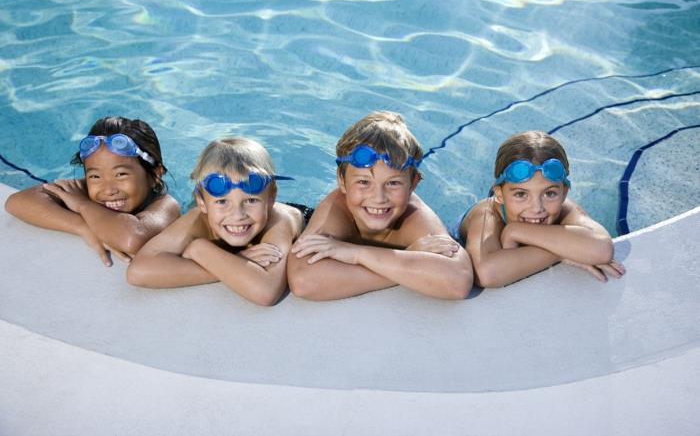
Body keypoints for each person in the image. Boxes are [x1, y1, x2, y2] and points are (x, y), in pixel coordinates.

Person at [288, 111, 473, 301]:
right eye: (363, 182)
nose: (378, 198)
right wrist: (407, 256)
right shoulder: (336, 210)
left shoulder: (414, 216)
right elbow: (304, 281)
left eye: (393, 183)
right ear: (342, 181)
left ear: (413, 184)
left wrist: (356, 254)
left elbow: (458, 282)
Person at [127, 138, 305, 306]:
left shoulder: (280, 220)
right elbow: (138, 271)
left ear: (271, 198)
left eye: (251, 200)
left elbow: (265, 291)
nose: (237, 215)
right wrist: (236, 260)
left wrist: (199, 250)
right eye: (222, 201)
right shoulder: (198, 218)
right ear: (202, 203)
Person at [455, 130, 625, 288]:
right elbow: (486, 274)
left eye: (549, 194)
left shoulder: (565, 210)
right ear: (499, 193)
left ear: (564, 193)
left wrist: (516, 231)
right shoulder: (486, 215)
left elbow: (602, 249)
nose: (536, 208)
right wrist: (562, 253)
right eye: (521, 194)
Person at [4, 116, 180, 266]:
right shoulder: (86, 189)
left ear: (155, 175)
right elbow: (18, 201)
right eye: (95, 176)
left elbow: (132, 239)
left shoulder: (165, 205)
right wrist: (83, 227)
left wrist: (82, 205)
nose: (108, 189)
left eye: (120, 174)